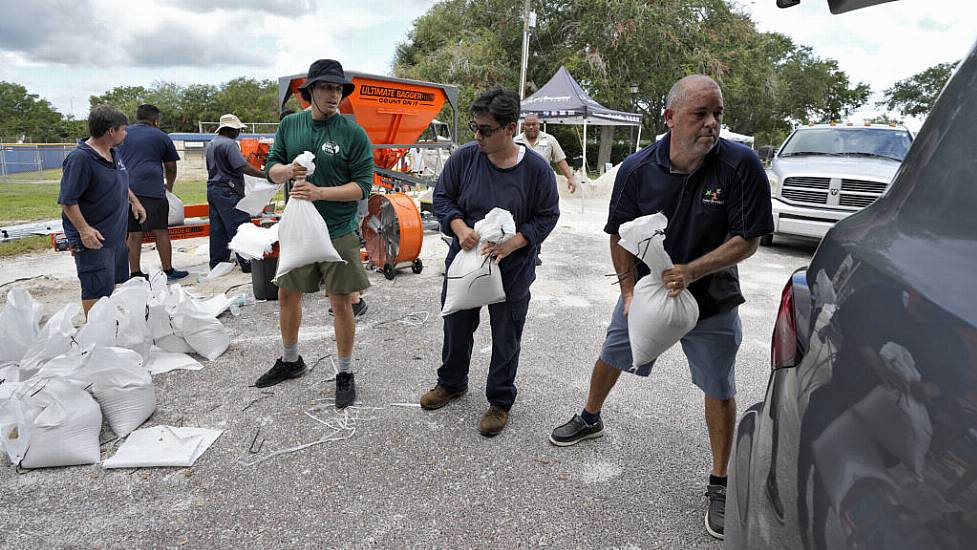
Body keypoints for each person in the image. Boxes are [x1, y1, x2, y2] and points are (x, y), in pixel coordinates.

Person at [547, 75, 773, 540]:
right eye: (700, 114)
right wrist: (629, 293)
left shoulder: (740, 165)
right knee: (613, 351)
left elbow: (746, 240)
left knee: (718, 385)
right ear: (670, 118)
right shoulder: (636, 169)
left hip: (711, 300)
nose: (711, 124)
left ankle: (719, 481)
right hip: (648, 290)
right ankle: (590, 416)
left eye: (717, 115)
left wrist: (692, 271)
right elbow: (619, 235)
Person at [421, 87, 560, 437]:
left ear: (509, 128)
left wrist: (516, 242)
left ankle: (500, 401)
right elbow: (442, 197)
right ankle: (451, 382)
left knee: (506, 335)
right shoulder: (465, 158)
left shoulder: (537, 170)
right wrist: (458, 226)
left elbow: (548, 214)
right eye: (475, 127)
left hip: (512, 269)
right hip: (465, 262)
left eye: (486, 129)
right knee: (455, 325)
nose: (478, 136)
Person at [254, 59, 375, 409]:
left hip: (338, 229)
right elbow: (270, 169)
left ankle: (345, 373)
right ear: (310, 92)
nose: (334, 94)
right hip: (298, 227)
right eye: (326, 87)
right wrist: (286, 170)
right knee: (287, 294)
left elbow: (363, 187)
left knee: (341, 301)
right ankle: (291, 361)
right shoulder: (291, 125)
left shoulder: (352, 133)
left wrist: (321, 192)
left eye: (338, 88)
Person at [58, 105, 147, 316]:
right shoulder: (81, 159)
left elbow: (121, 181)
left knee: (115, 285)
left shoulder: (114, 153)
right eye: (123, 129)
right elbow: (67, 201)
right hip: (94, 240)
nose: (126, 134)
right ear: (111, 131)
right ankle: (95, 337)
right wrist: (84, 230)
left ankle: (110, 325)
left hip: (115, 237)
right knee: (95, 289)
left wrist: (134, 201)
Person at [118, 103, 188, 282]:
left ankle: (134, 273)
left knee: (134, 234)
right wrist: (169, 187)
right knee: (161, 231)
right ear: (156, 120)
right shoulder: (161, 136)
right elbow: (170, 166)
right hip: (152, 191)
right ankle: (168, 269)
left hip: (127, 191)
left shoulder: (123, 134)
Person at [205, 113, 268, 272]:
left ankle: (218, 263)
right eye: (237, 129)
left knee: (218, 229)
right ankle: (247, 263)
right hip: (228, 191)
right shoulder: (229, 144)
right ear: (230, 129)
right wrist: (266, 174)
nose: (239, 132)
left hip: (213, 189)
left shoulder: (212, 143)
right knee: (240, 226)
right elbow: (243, 167)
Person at [514, 113, 575, 266]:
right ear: (523, 125)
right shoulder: (516, 141)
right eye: (528, 124)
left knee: (539, 218)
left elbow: (560, 160)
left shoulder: (549, 140)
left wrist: (570, 178)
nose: (531, 127)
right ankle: (521, 248)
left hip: (542, 188)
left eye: (534, 124)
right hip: (520, 186)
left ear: (539, 125)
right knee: (521, 217)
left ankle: (535, 251)